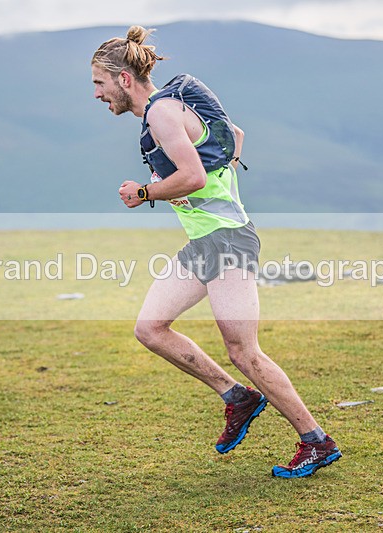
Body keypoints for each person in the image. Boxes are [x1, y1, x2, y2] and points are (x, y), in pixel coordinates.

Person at [90, 25, 341, 478]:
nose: (97, 94)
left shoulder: (162, 114)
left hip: (227, 241)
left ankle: (316, 441)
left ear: (124, 80)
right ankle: (237, 397)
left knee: (244, 351)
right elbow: (234, 134)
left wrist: (144, 192)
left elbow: (194, 178)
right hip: (205, 242)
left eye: (99, 84)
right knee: (150, 328)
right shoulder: (172, 108)